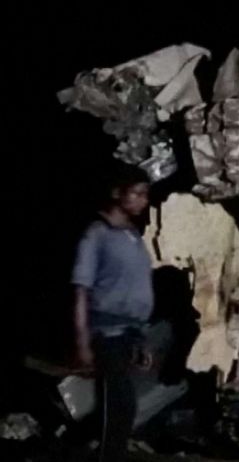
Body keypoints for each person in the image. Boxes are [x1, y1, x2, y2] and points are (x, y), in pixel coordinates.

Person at [71, 164, 154, 462]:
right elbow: (81, 289)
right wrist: (82, 343)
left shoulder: (132, 235)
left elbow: (138, 287)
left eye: (146, 195)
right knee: (119, 404)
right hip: (106, 332)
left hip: (129, 331)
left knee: (122, 404)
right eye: (137, 194)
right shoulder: (97, 234)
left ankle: (102, 452)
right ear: (118, 193)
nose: (143, 201)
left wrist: (141, 339)